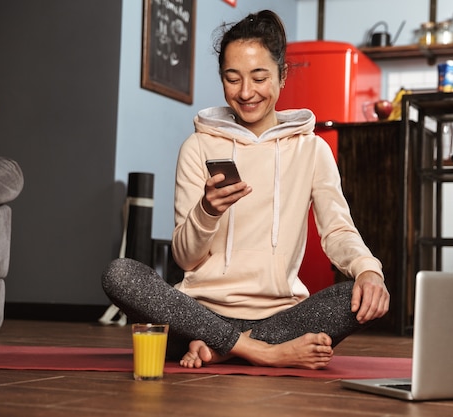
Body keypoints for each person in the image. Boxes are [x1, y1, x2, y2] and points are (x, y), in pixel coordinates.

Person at [102, 9, 389, 370]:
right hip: (198, 315)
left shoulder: (311, 149)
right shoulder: (199, 146)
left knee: (359, 295)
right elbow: (185, 259)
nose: (246, 92)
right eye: (232, 78)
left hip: (279, 319)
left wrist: (368, 271)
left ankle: (224, 349)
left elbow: (337, 230)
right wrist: (207, 211)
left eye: (259, 77)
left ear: (282, 76)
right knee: (120, 274)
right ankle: (257, 351)